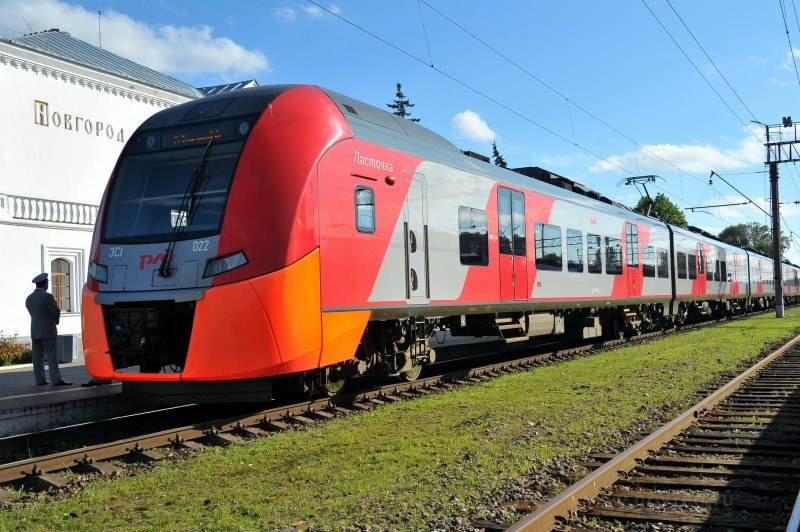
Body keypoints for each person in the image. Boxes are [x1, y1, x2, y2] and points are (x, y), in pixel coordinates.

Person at [25, 273, 71, 386]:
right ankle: (56, 380)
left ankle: (40, 380)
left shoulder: (29, 298)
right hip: (48, 330)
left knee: (37, 357)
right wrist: (56, 321)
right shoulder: (47, 296)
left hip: (35, 330)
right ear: (45, 284)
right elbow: (56, 311)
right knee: (51, 356)